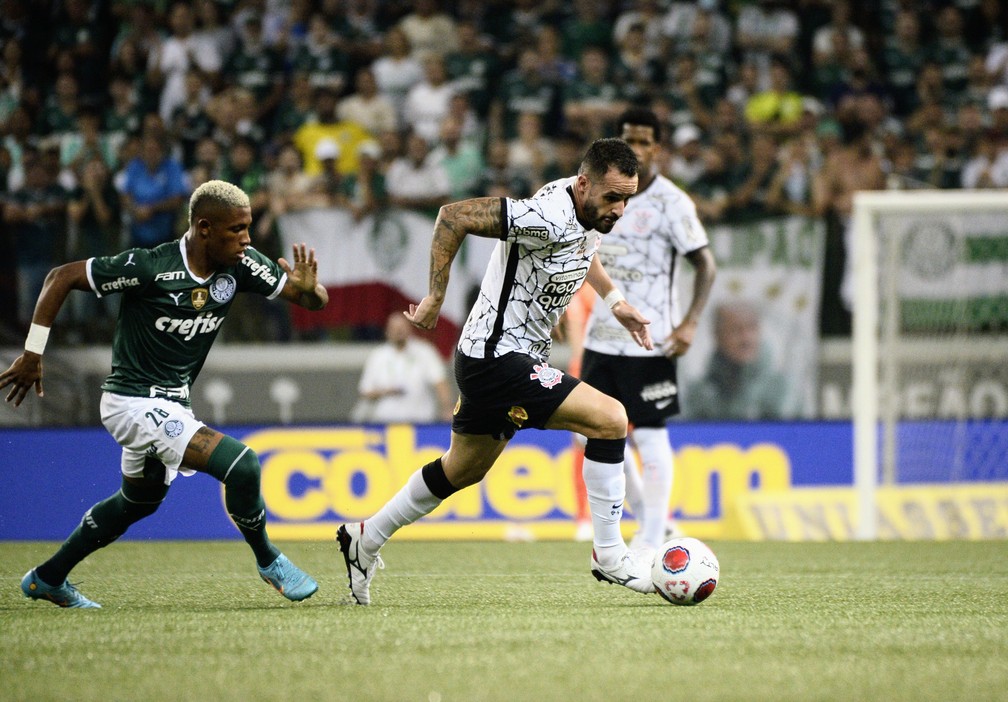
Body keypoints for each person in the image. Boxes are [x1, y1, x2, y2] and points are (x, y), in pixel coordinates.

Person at [336, 137, 657, 605]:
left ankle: (364, 538)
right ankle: (610, 553)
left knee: (463, 470)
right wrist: (435, 297)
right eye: (613, 197)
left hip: (494, 358)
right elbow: (453, 216)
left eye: (628, 197)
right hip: (498, 359)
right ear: (584, 183)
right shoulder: (545, 215)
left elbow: (583, 250)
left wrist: (615, 302)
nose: (621, 208)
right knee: (610, 418)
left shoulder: (589, 209)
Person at [2, 180, 329, 608]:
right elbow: (59, 277)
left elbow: (312, 301)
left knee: (137, 502)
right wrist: (32, 352)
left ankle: (46, 578)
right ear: (204, 228)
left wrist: (310, 288)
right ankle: (270, 561)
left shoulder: (243, 262)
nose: (248, 239)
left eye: (248, 227)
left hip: (173, 401)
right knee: (243, 465)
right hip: (130, 401)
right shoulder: (149, 267)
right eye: (237, 229)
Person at [580, 108, 717, 552]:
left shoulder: (671, 202)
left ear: (656, 148)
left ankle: (653, 533)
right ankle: (649, 518)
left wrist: (690, 322)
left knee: (649, 432)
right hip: (601, 333)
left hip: (649, 338)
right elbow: (577, 250)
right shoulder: (598, 193)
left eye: (642, 142)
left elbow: (705, 264)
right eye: (628, 140)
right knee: (589, 429)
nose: (635, 149)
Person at [683, 301, 796, 420]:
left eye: (752, 328)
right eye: (735, 330)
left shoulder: (783, 389)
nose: (746, 338)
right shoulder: (700, 394)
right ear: (717, 335)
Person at [354, 312, 453, 424]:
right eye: (395, 328)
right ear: (387, 331)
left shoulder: (424, 352)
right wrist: (386, 392)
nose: (399, 331)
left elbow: (440, 381)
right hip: (384, 425)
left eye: (402, 327)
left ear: (410, 329)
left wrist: (447, 408)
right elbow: (365, 391)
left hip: (420, 424)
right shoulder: (378, 356)